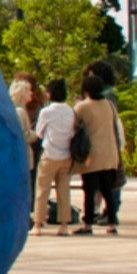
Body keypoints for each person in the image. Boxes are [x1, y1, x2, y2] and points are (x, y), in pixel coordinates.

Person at [75, 62, 128, 236]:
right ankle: (112, 224)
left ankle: (88, 224)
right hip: (110, 154)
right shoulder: (109, 105)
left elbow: (74, 127)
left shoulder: (82, 107)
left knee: (89, 191)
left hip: (92, 156)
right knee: (108, 191)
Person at [32, 81, 79, 237]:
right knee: (64, 191)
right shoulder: (71, 111)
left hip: (50, 154)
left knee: (42, 190)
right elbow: (73, 132)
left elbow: (38, 133)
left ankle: (38, 224)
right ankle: (64, 225)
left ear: (50, 94)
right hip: (67, 155)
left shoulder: (46, 112)